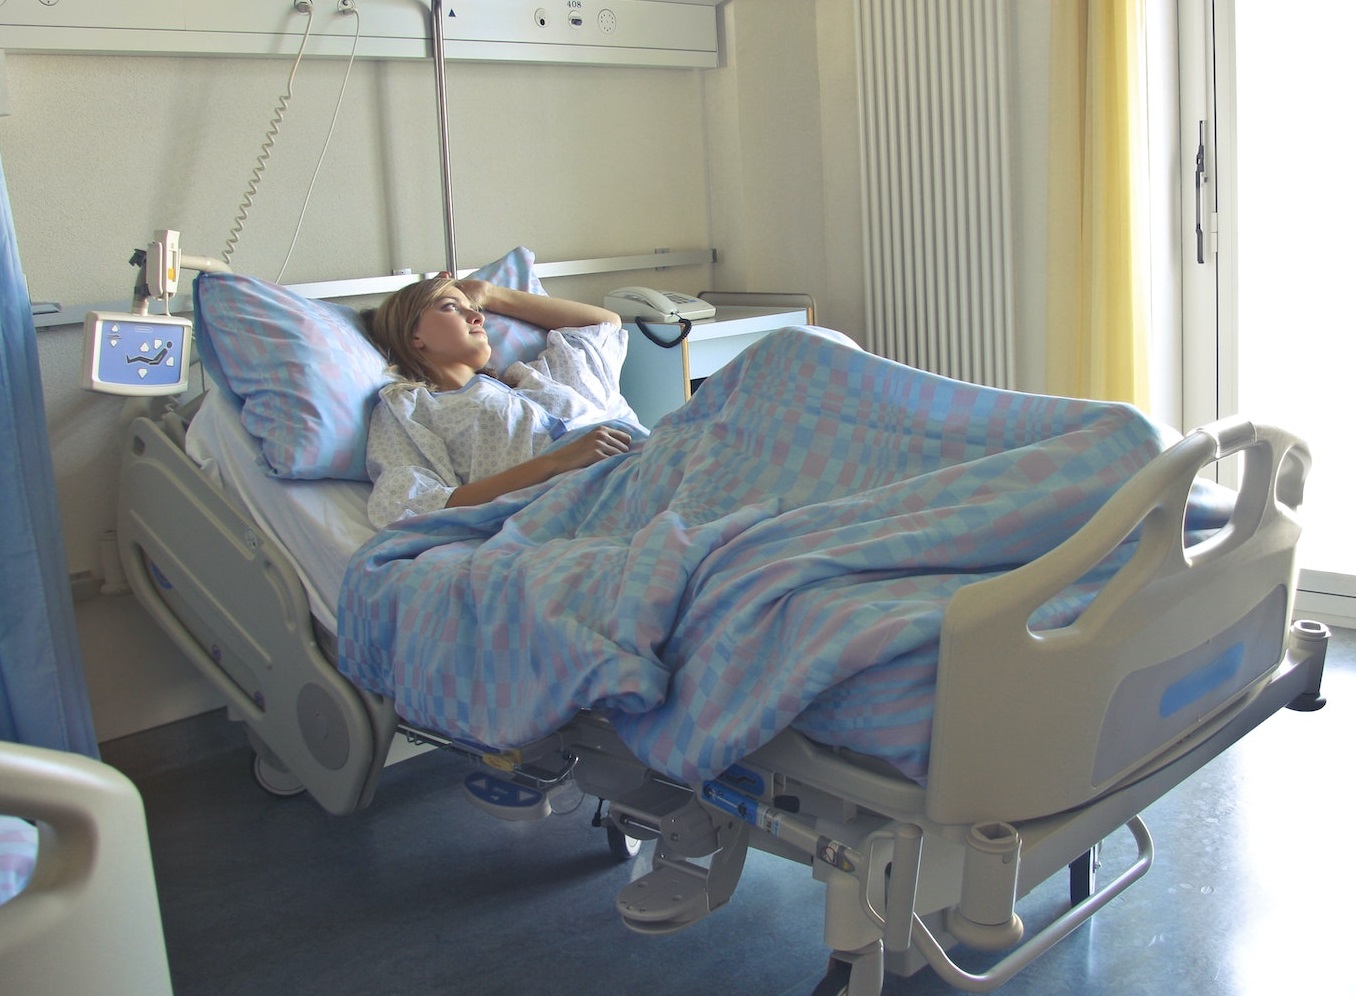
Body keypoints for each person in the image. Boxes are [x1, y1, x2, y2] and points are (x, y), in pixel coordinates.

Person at [361, 274, 643, 528]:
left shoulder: (530, 379)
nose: (477, 317)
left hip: (640, 466)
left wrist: (490, 294)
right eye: (451, 307)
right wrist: (555, 462)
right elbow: (409, 503)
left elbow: (604, 324)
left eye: (474, 309)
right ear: (414, 335)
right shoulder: (410, 408)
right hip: (589, 505)